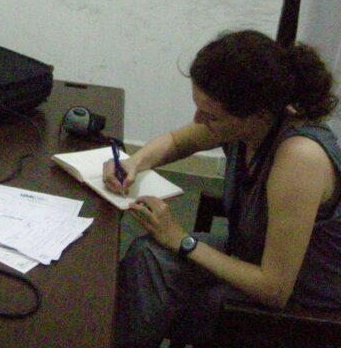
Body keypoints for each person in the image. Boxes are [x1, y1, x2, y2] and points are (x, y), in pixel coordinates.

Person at [104, 30, 341, 348]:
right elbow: (179, 141)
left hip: (303, 310)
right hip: (250, 257)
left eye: (211, 115)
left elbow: (275, 289)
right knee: (147, 257)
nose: (198, 119)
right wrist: (135, 162)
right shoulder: (251, 123)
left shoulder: (299, 157)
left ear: (256, 114)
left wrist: (181, 240)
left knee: (175, 298)